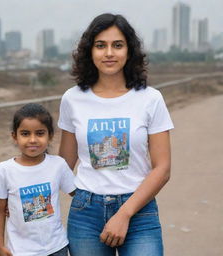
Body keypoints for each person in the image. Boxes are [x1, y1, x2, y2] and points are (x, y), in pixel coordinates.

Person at [58, 13, 174, 256]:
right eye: (101, 45)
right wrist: (20, 191)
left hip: (139, 211)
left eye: (117, 45)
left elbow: (162, 168)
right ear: (90, 51)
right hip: (86, 215)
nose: (109, 53)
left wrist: (124, 213)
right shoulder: (72, 98)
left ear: (129, 51)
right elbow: (63, 166)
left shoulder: (150, 99)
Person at [0, 103, 75, 256]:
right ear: (14, 136)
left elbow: (79, 195)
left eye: (40, 133)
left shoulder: (58, 165)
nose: (33, 140)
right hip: (21, 251)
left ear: (50, 136)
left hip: (57, 247)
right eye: (25, 133)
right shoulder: (5, 170)